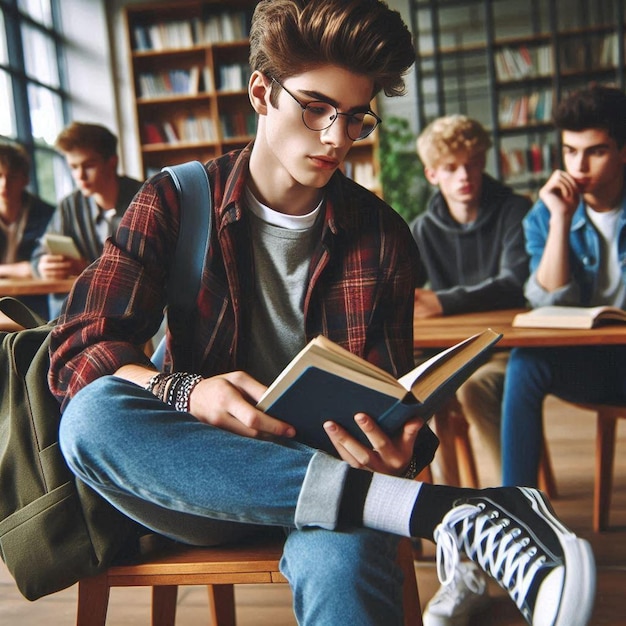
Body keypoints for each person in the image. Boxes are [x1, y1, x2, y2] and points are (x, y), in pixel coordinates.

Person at [49, 2, 595, 625]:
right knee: (92, 417)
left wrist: (399, 455)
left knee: (347, 552)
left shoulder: (384, 237)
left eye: (356, 117)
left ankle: (403, 502)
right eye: (315, 109)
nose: (337, 137)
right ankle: (443, 511)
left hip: (335, 490)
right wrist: (186, 391)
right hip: (190, 478)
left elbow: (389, 398)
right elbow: (77, 349)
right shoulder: (176, 199)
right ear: (261, 91)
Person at [410, 115, 531, 625]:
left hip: (504, 347)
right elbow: (411, 301)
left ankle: (510, 508)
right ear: (433, 174)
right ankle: (453, 523)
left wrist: (444, 302)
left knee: (483, 387)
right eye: (452, 167)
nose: (465, 176)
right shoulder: (420, 229)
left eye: (473, 165)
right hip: (447, 352)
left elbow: (518, 283)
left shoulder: (515, 211)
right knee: (413, 395)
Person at [501, 84, 626, 489]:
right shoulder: (545, 213)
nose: (579, 167)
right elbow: (549, 302)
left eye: (596, 151)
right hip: (592, 360)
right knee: (524, 363)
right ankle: (516, 506)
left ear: (623, 151)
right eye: (570, 152)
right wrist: (560, 220)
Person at [31, 122, 143, 317]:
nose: (80, 176)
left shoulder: (145, 198)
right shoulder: (69, 206)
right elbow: (38, 255)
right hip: (87, 310)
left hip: (135, 306)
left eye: (89, 165)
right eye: (73, 167)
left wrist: (89, 268)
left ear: (112, 162)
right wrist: (42, 265)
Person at [0, 141, 55, 318]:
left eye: (12, 176)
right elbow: (27, 268)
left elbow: (41, 266)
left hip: (36, 305)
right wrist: (20, 269)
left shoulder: (48, 215)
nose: (4, 184)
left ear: (25, 179)